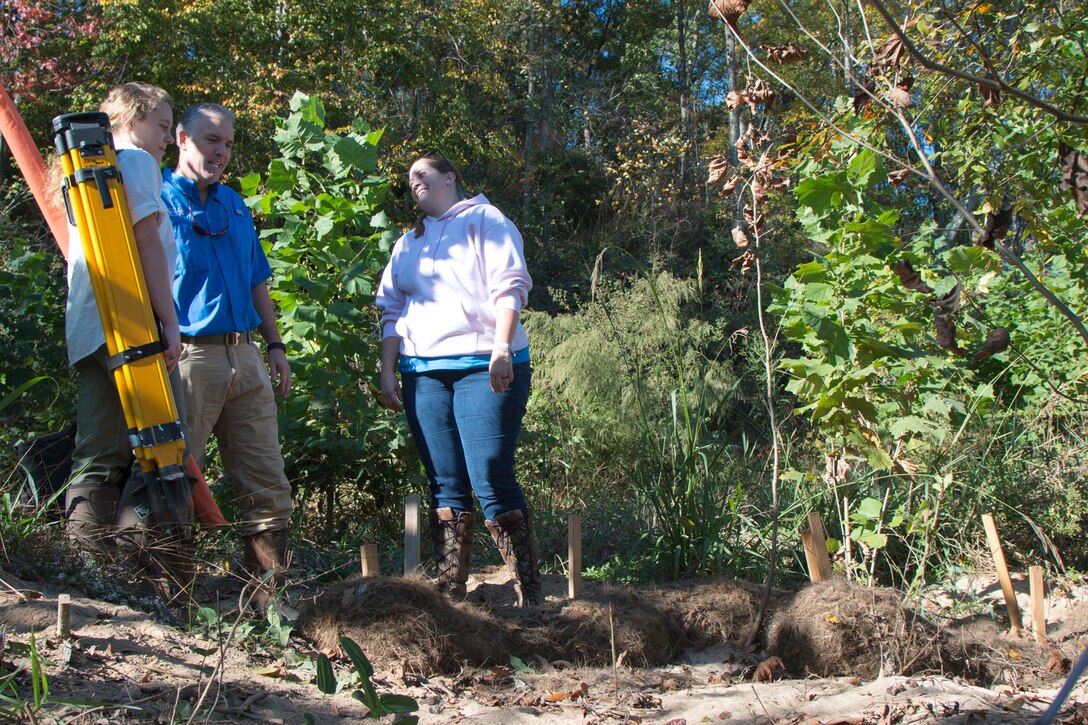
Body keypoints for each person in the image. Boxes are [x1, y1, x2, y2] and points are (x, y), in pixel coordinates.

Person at [376, 153, 541, 607]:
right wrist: (387, 368)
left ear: (451, 178)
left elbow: (510, 285)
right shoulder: (407, 244)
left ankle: (531, 593)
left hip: (482, 365)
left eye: (422, 174)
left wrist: (502, 347)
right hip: (422, 372)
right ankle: (452, 595)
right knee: (445, 483)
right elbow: (391, 310)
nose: (413, 182)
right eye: (408, 179)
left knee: (490, 475)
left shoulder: (486, 220)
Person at [160, 103, 294, 618]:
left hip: (247, 355)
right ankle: (171, 604)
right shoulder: (158, 200)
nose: (221, 151)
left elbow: (257, 279)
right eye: (212, 139)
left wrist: (275, 345)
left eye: (229, 143)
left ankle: (267, 604)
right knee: (174, 476)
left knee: (267, 481)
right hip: (188, 357)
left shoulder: (236, 205)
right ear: (181, 138)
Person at [63, 83, 190, 562]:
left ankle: (84, 567)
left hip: (91, 328)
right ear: (131, 120)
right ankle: (157, 574)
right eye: (161, 126)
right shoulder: (134, 162)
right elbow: (147, 244)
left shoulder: (82, 168)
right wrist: (169, 321)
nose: (166, 139)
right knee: (167, 446)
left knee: (98, 451)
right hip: (135, 327)